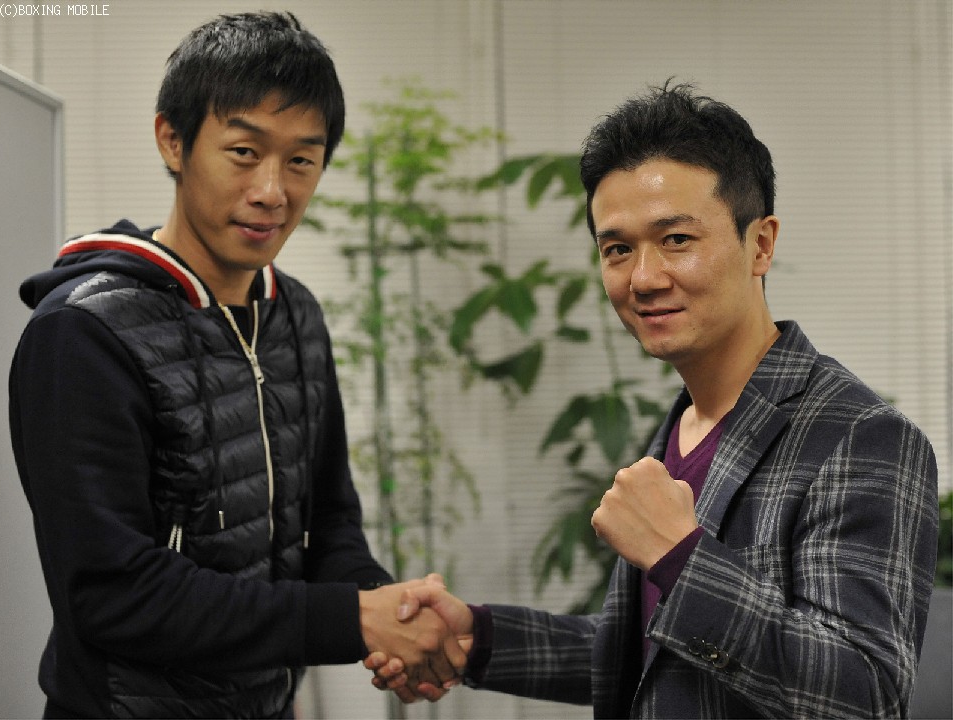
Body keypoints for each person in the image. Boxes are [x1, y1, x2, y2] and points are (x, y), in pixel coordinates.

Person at [368, 81, 940, 718]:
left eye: (677, 240)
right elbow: (658, 661)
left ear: (761, 244)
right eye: (618, 249)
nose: (643, 278)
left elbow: (865, 694)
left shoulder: (861, 435)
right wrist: (479, 640)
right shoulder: (681, 426)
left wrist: (681, 558)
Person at [8, 12, 465, 719]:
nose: (272, 191)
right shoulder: (83, 333)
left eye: (302, 161)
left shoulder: (295, 314)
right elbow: (112, 595)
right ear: (173, 139)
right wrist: (353, 619)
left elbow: (330, 524)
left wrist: (390, 615)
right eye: (244, 152)